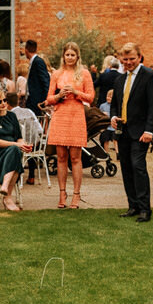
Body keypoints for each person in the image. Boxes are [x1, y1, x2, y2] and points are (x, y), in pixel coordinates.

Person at [110, 43, 153, 222]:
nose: (128, 62)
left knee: (138, 166)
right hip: (123, 131)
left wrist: (150, 130)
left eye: (132, 59)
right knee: (125, 168)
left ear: (139, 57)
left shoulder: (149, 76)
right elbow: (116, 104)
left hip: (141, 132)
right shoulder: (119, 79)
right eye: (125, 59)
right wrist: (113, 117)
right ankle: (133, 205)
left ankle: (145, 209)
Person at [46, 41, 95, 209]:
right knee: (60, 157)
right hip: (60, 116)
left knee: (75, 157)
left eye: (73, 55)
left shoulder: (84, 74)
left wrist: (76, 93)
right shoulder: (56, 74)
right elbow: (48, 99)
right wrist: (59, 95)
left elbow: (91, 97)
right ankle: (61, 192)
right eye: (67, 54)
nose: (70, 57)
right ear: (63, 56)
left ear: (77, 56)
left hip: (76, 117)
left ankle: (76, 193)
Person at [24, 40, 51, 115]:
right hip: (32, 101)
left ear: (26, 50)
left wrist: (45, 101)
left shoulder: (38, 62)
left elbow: (45, 81)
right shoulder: (34, 62)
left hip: (37, 101)